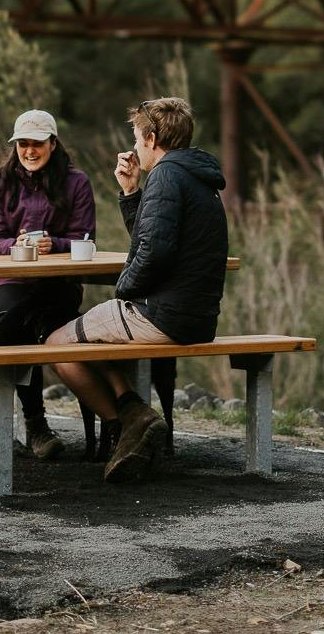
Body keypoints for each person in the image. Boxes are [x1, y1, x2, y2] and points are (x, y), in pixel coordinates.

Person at [46, 95, 227, 483]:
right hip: (197, 317)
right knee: (90, 336)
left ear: (151, 138)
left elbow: (155, 252)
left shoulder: (165, 176)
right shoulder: (196, 176)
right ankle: (132, 410)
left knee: (56, 344)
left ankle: (125, 424)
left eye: (136, 137)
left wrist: (123, 291)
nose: (134, 146)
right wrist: (130, 192)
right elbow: (151, 238)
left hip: (162, 315)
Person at [0, 109, 96, 460]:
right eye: (23, 143)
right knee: (22, 322)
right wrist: (17, 245)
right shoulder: (1, 183)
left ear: (53, 143)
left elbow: (86, 238)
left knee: (29, 314)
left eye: (37, 143)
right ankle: (36, 425)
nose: (29, 150)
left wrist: (54, 244)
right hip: (10, 279)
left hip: (60, 282)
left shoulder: (77, 183)